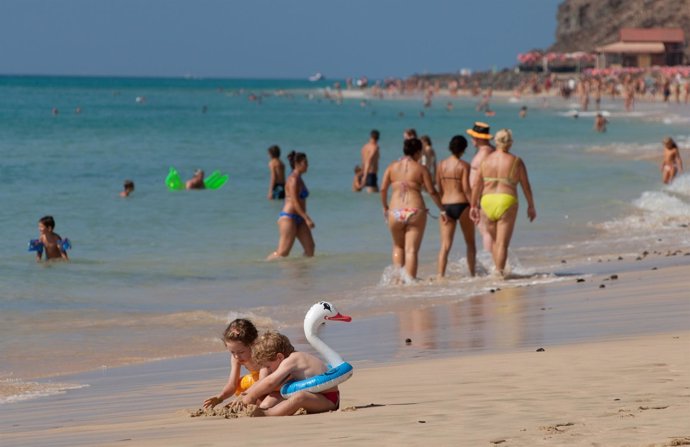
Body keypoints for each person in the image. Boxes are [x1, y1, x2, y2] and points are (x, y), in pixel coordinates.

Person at [470, 129, 536, 277]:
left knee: (494, 241)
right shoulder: (516, 161)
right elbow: (526, 185)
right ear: (510, 143)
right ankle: (499, 274)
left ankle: (497, 270)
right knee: (502, 244)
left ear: (495, 142)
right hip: (506, 200)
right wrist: (531, 205)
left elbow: (476, 185)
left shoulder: (485, 161)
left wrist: (473, 206)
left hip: (487, 201)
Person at [380, 137, 447, 280]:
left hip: (395, 211)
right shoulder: (421, 169)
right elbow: (432, 191)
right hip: (415, 211)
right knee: (411, 251)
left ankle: (398, 282)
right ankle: (410, 283)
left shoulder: (392, 167)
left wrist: (384, 206)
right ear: (417, 152)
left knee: (398, 247)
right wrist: (442, 209)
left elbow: (383, 189)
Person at [234, 331, 339, 416]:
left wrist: (251, 397)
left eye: (268, 366)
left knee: (300, 397)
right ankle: (263, 407)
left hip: (328, 399)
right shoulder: (289, 363)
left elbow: (270, 382)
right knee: (272, 395)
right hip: (314, 396)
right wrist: (245, 394)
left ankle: (267, 413)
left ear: (279, 357)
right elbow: (265, 382)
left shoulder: (293, 359)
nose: (268, 370)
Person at [436, 136, 476, 278]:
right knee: (470, 243)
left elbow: (439, 188)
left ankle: (440, 276)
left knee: (445, 246)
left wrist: (441, 207)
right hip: (462, 204)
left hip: (446, 205)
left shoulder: (440, 165)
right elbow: (466, 189)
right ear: (464, 149)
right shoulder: (464, 166)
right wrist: (474, 206)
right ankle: (472, 275)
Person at [203, 319, 264, 409]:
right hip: (256, 378)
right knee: (239, 387)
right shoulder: (236, 358)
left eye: (241, 352)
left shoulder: (262, 354)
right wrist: (220, 397)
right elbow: (232, 384)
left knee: (259, 394)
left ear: (253, 344)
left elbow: (265, 379)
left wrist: (245, 395)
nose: (236, 356)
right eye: (232, 352)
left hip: (270, 378)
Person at [267, 151, 315, 259]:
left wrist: (303, 218)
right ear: (297, 164)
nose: (307, 165)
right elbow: (294, 201)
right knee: (283, 252)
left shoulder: (299, 178)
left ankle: (301, 272)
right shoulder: (293, 179)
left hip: (299, 217)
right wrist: (307, 218)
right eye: (305, 163)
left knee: (310, 248)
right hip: (289, 217)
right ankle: (265, 266)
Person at [467, 122, 496, 254]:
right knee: (490, 231)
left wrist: (475, 203)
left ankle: (491, 262)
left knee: (486, 231)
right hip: (487, 195)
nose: (471, 139)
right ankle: (497, 263)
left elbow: (481, 179)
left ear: (478, 138)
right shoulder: (490, 151)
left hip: (483, 197)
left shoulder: (485, 153)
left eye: (473, 137)